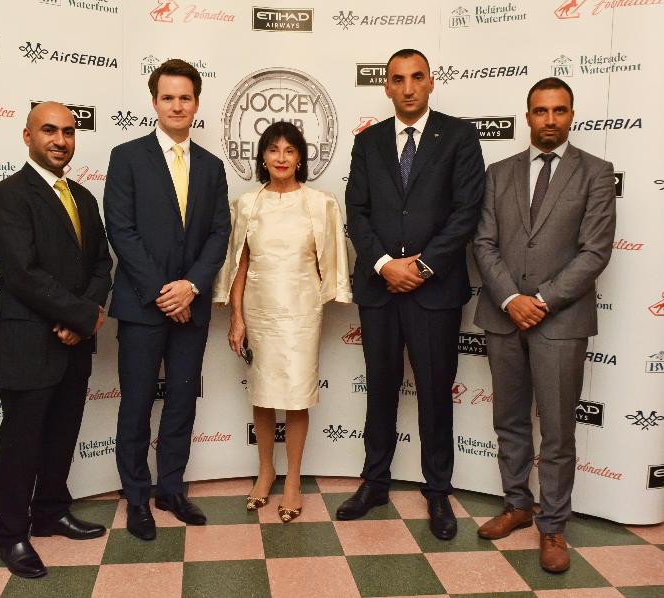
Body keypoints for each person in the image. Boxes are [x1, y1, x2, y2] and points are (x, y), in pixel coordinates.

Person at [340, 48, 485, 540]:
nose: (407, 87)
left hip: (434, 291)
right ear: (386, 86)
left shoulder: (459, 136)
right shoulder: (368, 142)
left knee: (435, 393)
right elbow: (357, 212)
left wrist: (421, 267)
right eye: (398, 79)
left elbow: (467, 212)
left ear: (430, 82)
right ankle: (374, 482)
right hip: (380, 289)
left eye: (416, 77)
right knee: (380, 388)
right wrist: (385, 265)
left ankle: (438, 491)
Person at [473, 77, 616, 573]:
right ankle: (517, 505)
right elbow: (484, 242)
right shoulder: (498, 173)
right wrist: (512, 299)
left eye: (559, 110)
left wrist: (541, 301)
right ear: (527, 116)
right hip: (504, 317)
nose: (549, 119)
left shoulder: (596, 173)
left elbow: (595, 250)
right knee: (509, 420)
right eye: (540, 111)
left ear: (571, 114)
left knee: (556, 431)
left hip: (561, 321)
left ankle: (552, 526)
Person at [0, 102, 112, 578]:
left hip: (73, 343)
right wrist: (79, 315)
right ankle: (11, 535)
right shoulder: (7, 196)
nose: (61, 140)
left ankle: (52, 511)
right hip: (28, 343)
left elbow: (101, 264)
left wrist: (83, 320)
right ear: (28, 136)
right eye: (49, 131)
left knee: (61, 436)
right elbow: (22, 272)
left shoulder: (84, 198)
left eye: (69, 132)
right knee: (21, 445)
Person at [104, 59, 230, 540]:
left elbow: (219, 233)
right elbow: (121, 229)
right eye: (168, 97)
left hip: (190, 307)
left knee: (181, 401)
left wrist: (190, 287)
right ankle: (137, 497)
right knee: (136, 404)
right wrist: (163, 291)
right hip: (143, 306)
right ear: (154, 102)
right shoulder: (126, 157)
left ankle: (171, 489)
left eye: (185, 98)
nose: (177, 106)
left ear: (196, 103)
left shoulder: (212, 167)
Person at [214, 121, 351, 522]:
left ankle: (292, 480)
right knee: (262, 394)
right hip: (258, 311)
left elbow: (330, 262)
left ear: (300, 159)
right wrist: (237, 317)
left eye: (289, 150)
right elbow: (239, 265)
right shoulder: (246, 204)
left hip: (302, 313)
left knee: (296, 396)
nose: (281, 158)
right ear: (262, 157)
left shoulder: (320, 203)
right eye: (273, 150)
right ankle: (265, 471)